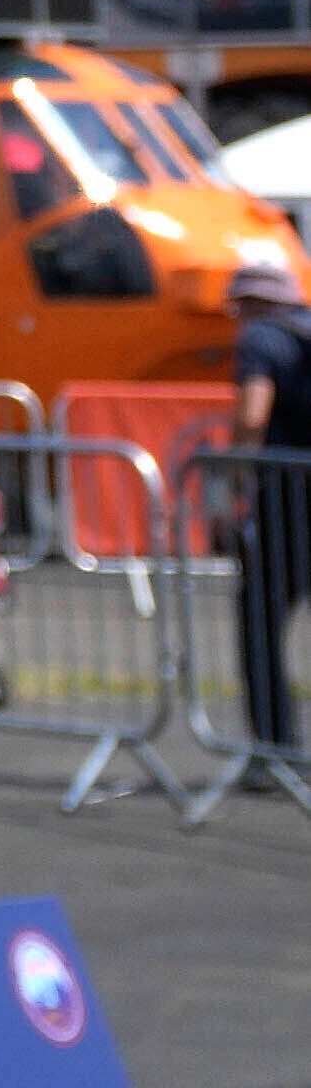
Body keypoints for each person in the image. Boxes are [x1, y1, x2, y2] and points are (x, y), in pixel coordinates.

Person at [228, 256, 309, 755]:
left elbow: (253, 414)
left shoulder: (261, 339)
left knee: (260, 617)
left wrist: (235, 476)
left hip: (288, 497)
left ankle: (274, 746)